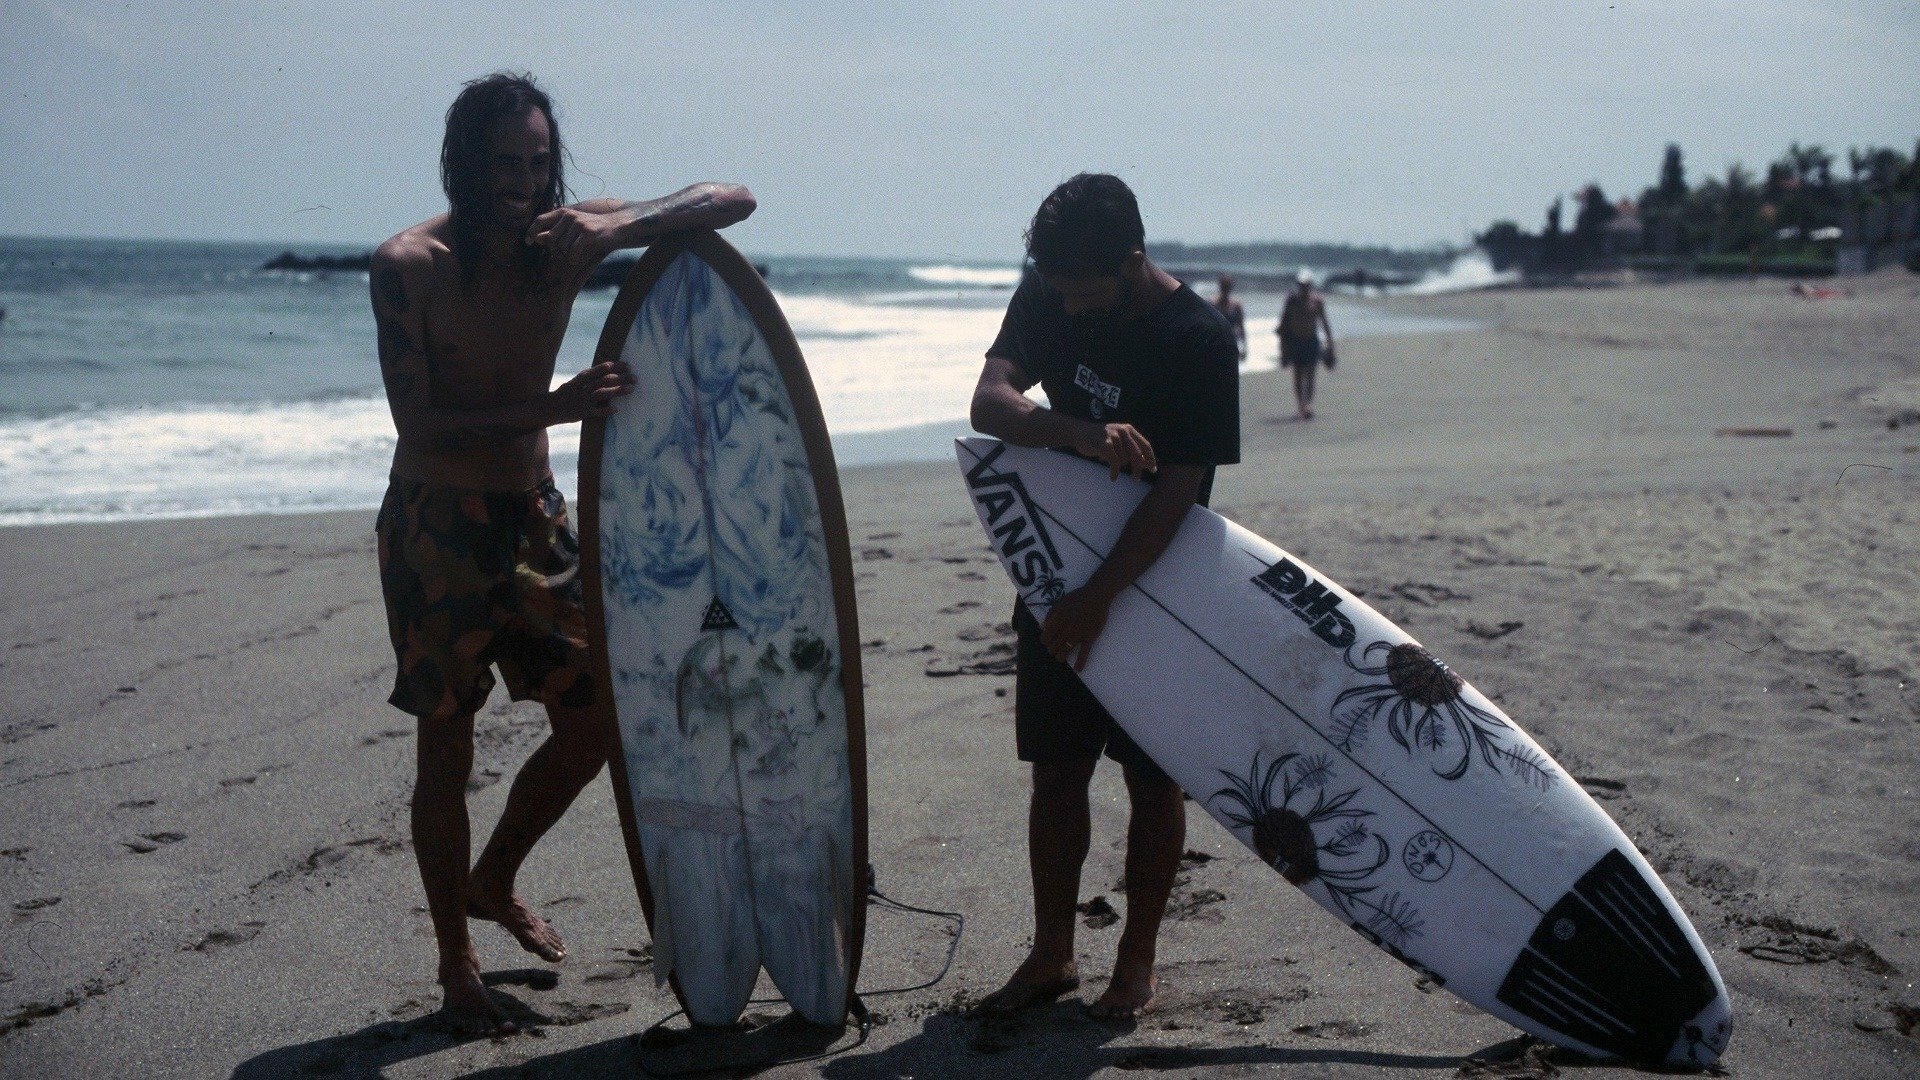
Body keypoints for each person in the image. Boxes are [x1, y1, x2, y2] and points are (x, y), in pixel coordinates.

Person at [370, 71, 755, 1035]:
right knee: (446, 743)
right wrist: (555, 407)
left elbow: (734, 198)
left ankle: (491, 878)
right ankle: (456, 963)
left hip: (537, 518)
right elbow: (418, 419)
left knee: (600, 719)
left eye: (540, 163)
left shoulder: (563, 238)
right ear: (463, 164)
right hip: (437, 524)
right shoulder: (410, 264)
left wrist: (619, 227)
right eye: (506, 163)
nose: (525, 181)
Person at [968, 174, 1240, 1023]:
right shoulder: (1050, 288)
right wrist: (1078, 432)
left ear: (1131, 261)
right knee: (1057, 771)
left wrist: (1100, 597)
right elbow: (989, 404)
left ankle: (1137, 963)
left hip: (1159, 587)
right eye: (1060, 294)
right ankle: (1052, 955)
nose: (1071, 313)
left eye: (1086, 296)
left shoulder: (1198, 339)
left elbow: (1178, 491)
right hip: (1057, 572)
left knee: (1153, 783)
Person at [1277, 269, 1335, 419]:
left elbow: (1324, 322)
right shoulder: (1292, 300)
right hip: (1295, 341)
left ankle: (1307, 405)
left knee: (1310, 374)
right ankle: (1301, 405)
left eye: (1306, 285)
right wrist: (1283, 348)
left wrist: (1330, 344)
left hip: (1311, 341)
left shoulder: (1317, 300)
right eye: (1301, 285)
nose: (1303, 288)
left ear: (1310, 285)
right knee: (1297, 374)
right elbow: (1283, 324)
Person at [1213, 274, 1246, 362]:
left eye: (1228, 286)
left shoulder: (1236, 305)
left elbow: (1241, 327)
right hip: (1215, 342)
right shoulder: (1212, 304)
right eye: (1224, 286)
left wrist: (1244, 347)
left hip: (1231, 342)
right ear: (1220, 286)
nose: (1226, 289)